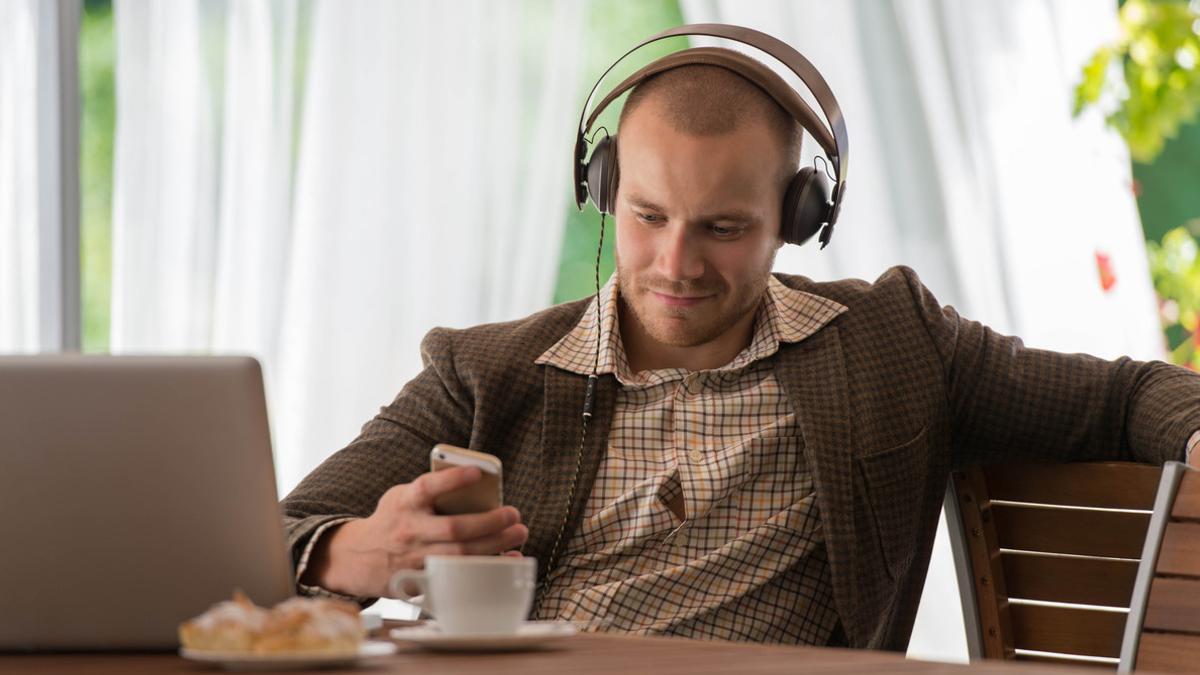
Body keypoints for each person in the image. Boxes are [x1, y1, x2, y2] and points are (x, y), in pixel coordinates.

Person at [280, 29, 1200, 652]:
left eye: (722, 227)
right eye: (647, 216)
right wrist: (348, 552)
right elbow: (264, 536)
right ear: (603, 189)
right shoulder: (487, 370)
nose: (676, 262)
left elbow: (1126, 396)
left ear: (796, 218)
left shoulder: (893, 344)